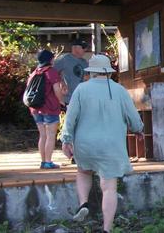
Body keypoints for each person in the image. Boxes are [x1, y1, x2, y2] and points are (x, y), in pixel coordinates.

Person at [61, 54, 143, 233]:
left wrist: (66, 140)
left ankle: (83, 203)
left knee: (83, 171)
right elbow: (134, 119)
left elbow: (70, 118)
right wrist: (138, 130)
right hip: (111, 147)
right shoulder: (120, 90)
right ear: (108, 72)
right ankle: (107, 228)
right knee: (109, 187)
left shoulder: (81, 89)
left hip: (85, 144)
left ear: (91, 72)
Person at [28, 50, 65, 169]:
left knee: (42, 135)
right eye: (53, 58)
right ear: (49, 59)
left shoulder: (34, 73)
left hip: (35, 108)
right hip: (50, 107)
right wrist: (61, 101)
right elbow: (57, 90)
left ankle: (43, 161)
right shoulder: (51, 72)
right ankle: (48, 162)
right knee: (50, 135)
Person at [54, 38, 89, 105]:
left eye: (86, 48)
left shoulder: (85, 62)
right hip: (68, 99)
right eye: (83, 47)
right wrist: (61, 82)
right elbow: (51, 73)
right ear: (74, 48)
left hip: (83, 99)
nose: (85, 50)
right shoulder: (64, 59)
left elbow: (87, 78)